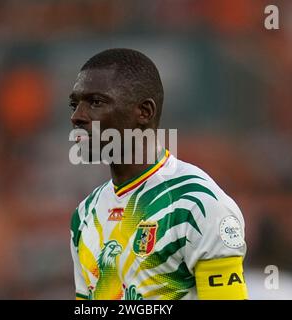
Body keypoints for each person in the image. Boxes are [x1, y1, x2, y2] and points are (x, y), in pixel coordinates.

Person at [69, 48, 248, 300]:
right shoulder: (85, 215)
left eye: (96, 102)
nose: (77, 117)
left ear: (145, 112)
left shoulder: (198, 205)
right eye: (74, 104)